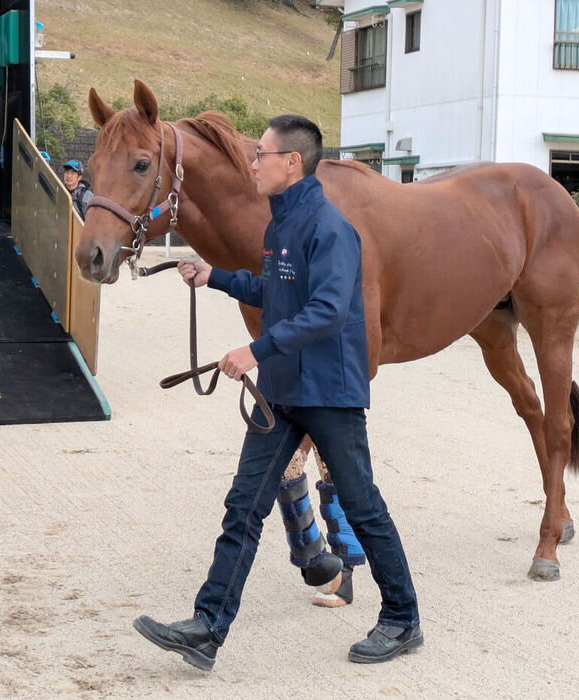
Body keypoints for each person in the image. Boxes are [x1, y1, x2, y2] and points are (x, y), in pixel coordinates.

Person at [133, 115, 421, 670]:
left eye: (261, 153)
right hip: (283, 390)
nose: (253, 161)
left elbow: (327, 312)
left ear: (292, 163)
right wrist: (212, 275)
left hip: (329, 393)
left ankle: (403, 618)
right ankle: (207, 627)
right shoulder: (280, 225)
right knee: (244, 505)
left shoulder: (331, 229)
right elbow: (275, 292)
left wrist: (254, 351)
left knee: (363, 507)